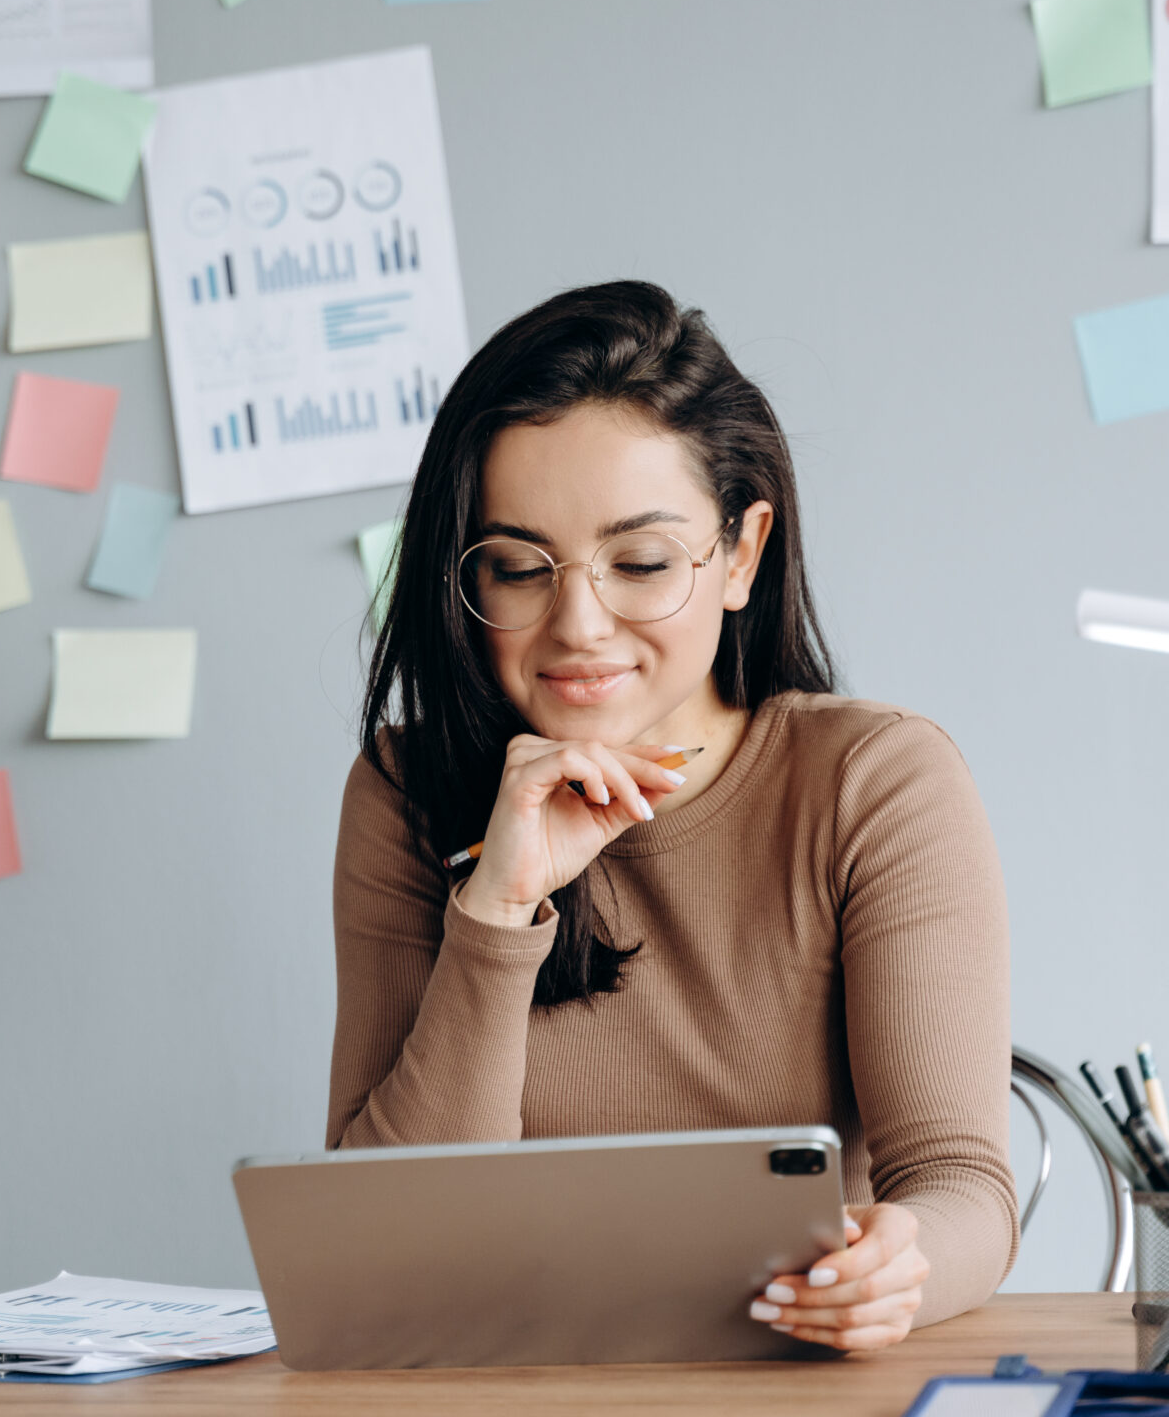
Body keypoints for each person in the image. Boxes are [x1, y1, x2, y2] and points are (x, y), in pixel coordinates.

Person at [329, 280, 1016, 1350]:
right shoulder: (404, 789)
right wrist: (500, 907)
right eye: (515, 568)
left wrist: (898, 1262)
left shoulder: (875, 781)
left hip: (788, 1395)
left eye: (641, 563)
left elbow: (962, 1185)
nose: (577, 624)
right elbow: (376, 1243)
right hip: (495, 1413)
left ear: (740, 553)